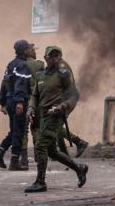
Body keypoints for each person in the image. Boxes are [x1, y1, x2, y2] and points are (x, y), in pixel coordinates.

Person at [24, 46, 88, 192]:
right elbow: (35, 96)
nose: (54, 59)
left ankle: (40, 182)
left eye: (56, 56)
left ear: (59, 57)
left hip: (55, 116)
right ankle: (79, 168)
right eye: (51, 56)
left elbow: (74, 95)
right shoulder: (40, 75)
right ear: (46, 58)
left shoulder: (63, 75)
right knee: (52, 151)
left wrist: (63, 106)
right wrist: (31, 108)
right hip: (42, 116)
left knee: (40, 145)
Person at [0, 40, 33, 171]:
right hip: (17, 102)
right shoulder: (23, 66)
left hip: (9, 100)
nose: (31, 50)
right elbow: (20, 84)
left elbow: (4, 84)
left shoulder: (11, 64)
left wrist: (2, 102)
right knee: (19, 131)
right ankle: (14, 161)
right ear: (24, 51)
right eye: (29, 48)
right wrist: (20, 101)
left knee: (14, 130)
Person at [21, 44, 45, 169]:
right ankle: (38, 155)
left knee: (23, 130)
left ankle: (24, 159)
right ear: (29, 52)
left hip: (23, 100)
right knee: (37, 127)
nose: (35, 52)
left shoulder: (20, 64)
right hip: (37, 100)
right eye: (33, 50)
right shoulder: (39, 65)